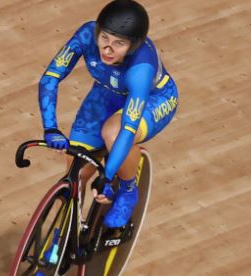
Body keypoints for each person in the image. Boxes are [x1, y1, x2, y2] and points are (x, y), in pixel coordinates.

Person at [38, 0, 178, 228]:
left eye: (119, 43)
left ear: (133, 46)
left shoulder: (141, 69)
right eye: (104, 38)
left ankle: (128, 191)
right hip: (108, 94)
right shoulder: (85, 35)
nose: (107, 49)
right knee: (76, 175)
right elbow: (50, 77)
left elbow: (127, 128)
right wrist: (51, 127)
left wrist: (106, 176)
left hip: (154, 99)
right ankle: (63, 236)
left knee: (113, 133)